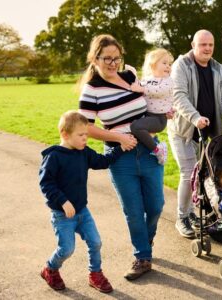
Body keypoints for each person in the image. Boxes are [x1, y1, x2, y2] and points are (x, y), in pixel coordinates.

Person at [78, 34, 165, 280]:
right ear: (95, 59)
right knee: (134, 210)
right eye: (107, 58)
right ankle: (142, 256)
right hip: (120, 156)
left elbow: (146, 104)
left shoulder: (129, 75)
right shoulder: (92, 89)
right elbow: (86, 127)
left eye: (117, 58)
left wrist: (161, 113)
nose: (113, 63)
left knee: (156, 205)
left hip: (149, 149)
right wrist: (119, 139)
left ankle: (145, 240)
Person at [168, 29, 222, 238]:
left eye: (210, 45)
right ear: (193, 45)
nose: (207, 48)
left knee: (209, 174)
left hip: (208, 133)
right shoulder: (181, 65)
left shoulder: (219, 69)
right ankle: (182, 217)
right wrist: (195, 118)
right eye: (203, 44)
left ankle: (206, 213)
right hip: (184, 131)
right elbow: (179, 96)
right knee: (188, 172)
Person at [39, 110, 124, 293]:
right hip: (62, 215)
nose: (85, 138)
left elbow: (102, 161)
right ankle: (50, 269)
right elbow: (46, 183)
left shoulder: (83, 152)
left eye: (86, 134)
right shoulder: (54, 157)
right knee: (66, 249)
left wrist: (120, 148)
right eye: (81, 135)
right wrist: (63, 201)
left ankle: (95, 274)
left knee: (95, 242)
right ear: (65, 134)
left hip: (82, 211)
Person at [129, 48, 174, 165]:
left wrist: (142, 89)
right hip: (148, 115)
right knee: (136, 128)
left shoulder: (168, 81)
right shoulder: (147, 80)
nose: (168, 66)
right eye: (164, 63)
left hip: (159, 119)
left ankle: (158, 150)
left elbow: (159, 91)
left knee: (135, 127)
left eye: (169, 64)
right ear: (153, 65)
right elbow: (138, 88)